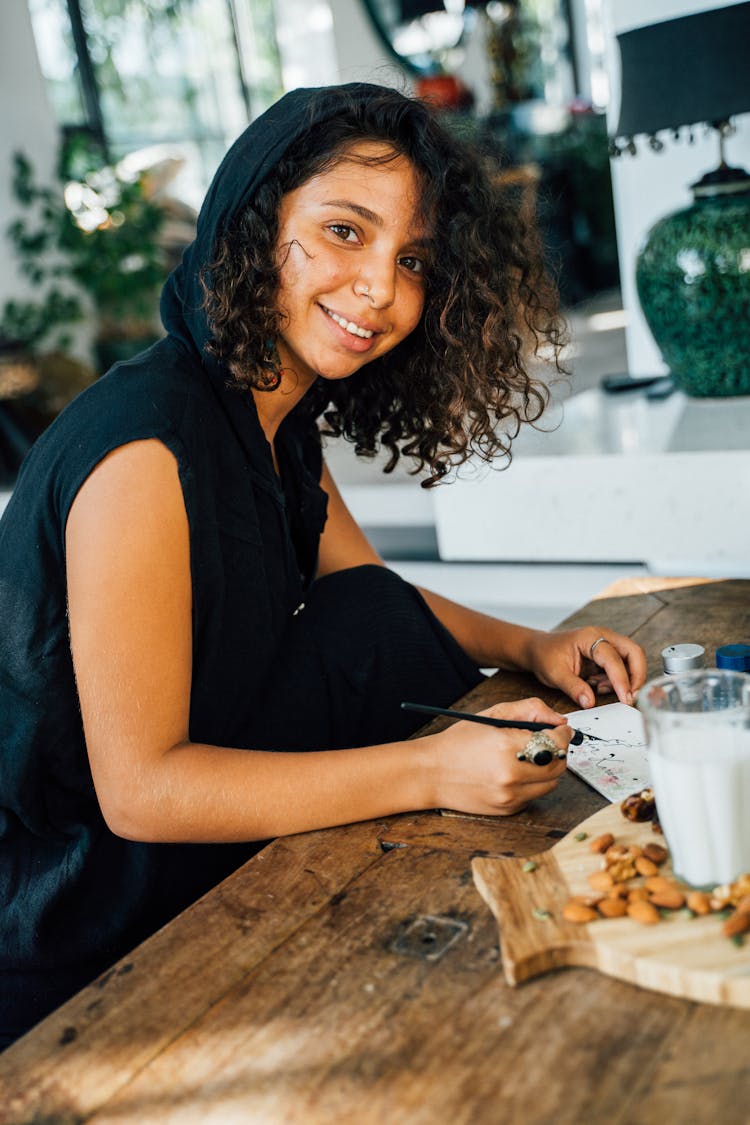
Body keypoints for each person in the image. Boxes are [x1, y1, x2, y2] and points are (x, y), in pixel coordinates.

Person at [0, 83, 646, 1046]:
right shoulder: (143, 449)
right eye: (346, 231)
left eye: (413, 259)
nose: (381, 287)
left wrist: (537, 643)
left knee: (377, 627)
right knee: (421, 720)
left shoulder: (273, 409)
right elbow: (140, 792)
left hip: (175, 812)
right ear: (256, 222)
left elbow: (370, 593)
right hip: (80, 903)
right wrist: (431, 768)